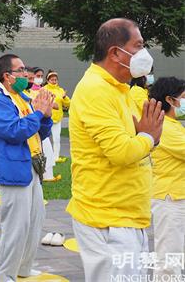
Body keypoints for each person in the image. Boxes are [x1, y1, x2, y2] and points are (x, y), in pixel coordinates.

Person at [67, 18, 164, 281]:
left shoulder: (120, 89)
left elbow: (137, 141)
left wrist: (144, 138)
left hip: (127, 215)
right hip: (108, 219)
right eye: (139, 45)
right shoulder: (95, 90)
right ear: (115, 53)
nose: (145, 54)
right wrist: (148, 137)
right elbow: (122, 151)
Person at [0, 54, 54, 281]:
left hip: (31, 166)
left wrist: (46, 117)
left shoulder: (21, 96)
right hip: (12, 169)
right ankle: (3, 276)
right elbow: (14, 131)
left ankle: (23, 268)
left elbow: (38, 132)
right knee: (16, 227)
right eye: (21, 70)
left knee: (34, 220)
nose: (26, 74)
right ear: (7, 76)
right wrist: (39, 114)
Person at [148, 77, 185, 278]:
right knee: (169, 257)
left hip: (176, 195)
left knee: (175, 253)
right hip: (170, 198)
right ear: (170, 100)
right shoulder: (165, 127)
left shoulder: (173, 124)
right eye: (184, 97)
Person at [44, 70, 70, 162]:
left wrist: (64, 97)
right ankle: (46, 157)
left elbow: (67, 104)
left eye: (55, 80)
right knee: (45, 139)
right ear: (48, 80)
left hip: (57, 118)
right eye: (52, 80)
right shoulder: (44, 89)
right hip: (46, 118)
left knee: (56, 139)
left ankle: (56, 157)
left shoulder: (60, 90)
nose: (54, 81)